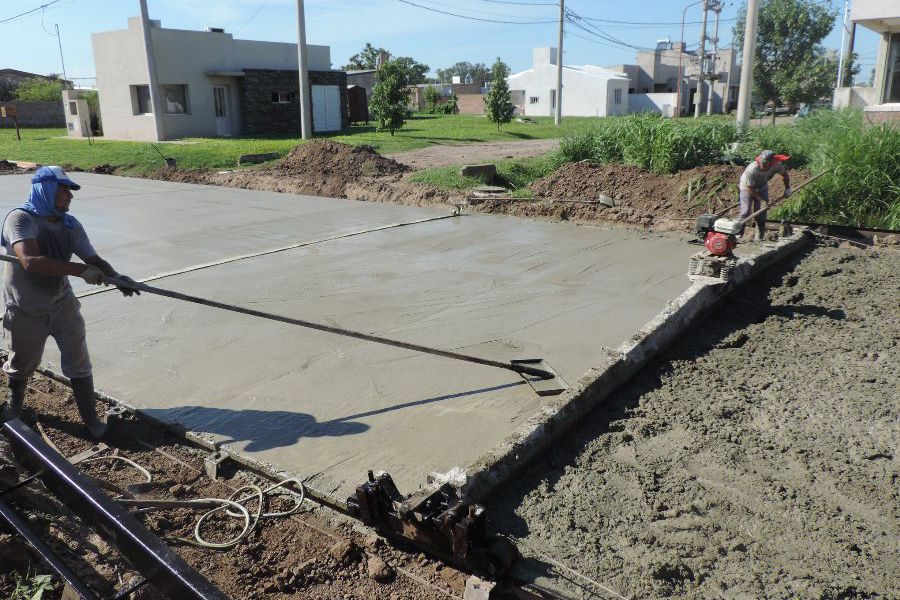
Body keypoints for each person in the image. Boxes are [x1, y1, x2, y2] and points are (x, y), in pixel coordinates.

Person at [1, 166, 139, 437]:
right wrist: (79, 271)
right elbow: (30, 261)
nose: (70, 197)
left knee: (78, 359)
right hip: (25, 307)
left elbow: (93, 259)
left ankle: (92, 422)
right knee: (22, 363)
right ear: (46, 191)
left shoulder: (70, 224)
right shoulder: (20, 219)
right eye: (64, 191)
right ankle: (14, 409)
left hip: (61, 302)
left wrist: (117, 277)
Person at [738, 150, 792, 241]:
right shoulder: (752, 169)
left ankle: (759, 236)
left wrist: (787, 189)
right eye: (761, 162)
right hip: (746, 187)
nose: (762, 164)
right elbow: (750, 188)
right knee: (745, 211)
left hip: (762, 187)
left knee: (761, 212)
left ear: (771, 163)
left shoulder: (776, 165)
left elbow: (784, 175)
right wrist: (761, 200)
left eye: (765, 163)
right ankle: (737, 233)